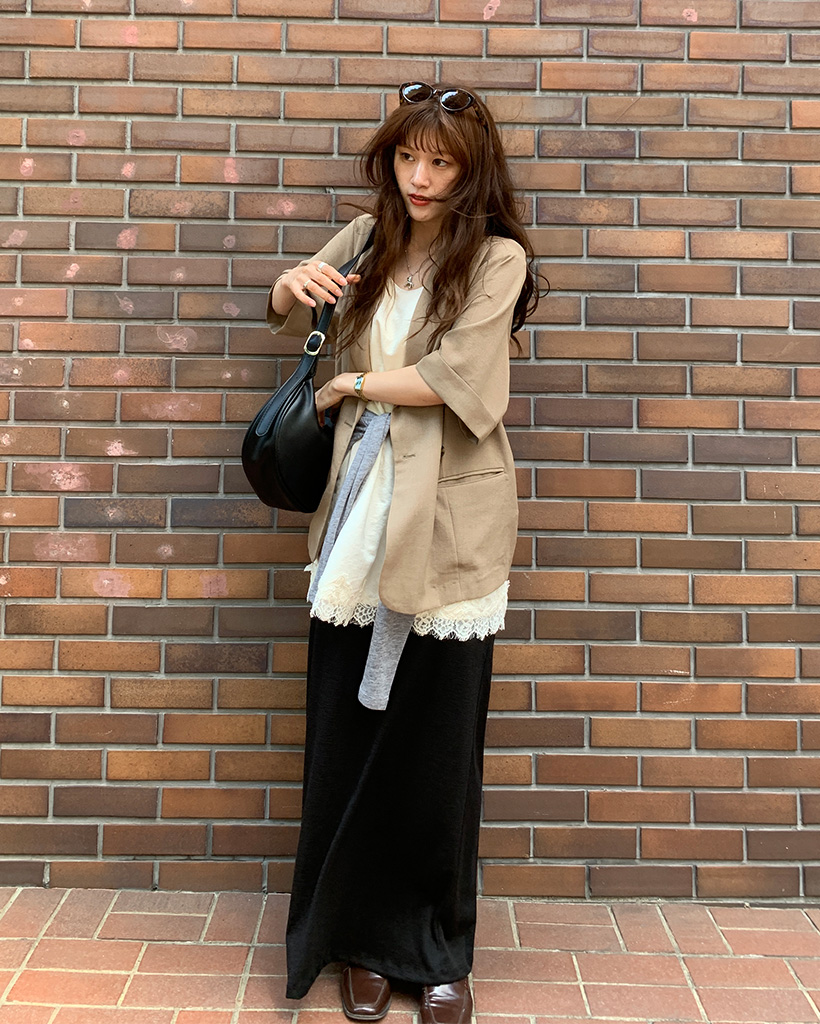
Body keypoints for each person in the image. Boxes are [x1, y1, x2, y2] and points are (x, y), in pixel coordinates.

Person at [266, 82, 538, 1024]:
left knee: (436, 740)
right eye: (408, 158)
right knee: (350, 731)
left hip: (449, 514)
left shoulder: (496, 258)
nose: (419, 178)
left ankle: (436, 947)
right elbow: (288, 307)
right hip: (357, 515)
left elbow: (459, 377)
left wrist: (348, 384)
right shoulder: (365, 237)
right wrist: (290, 285)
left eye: (441, 162)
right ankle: (359, 941)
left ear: (470, 172)